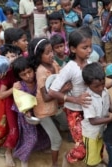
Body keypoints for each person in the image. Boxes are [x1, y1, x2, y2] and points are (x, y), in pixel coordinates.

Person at [48, 26, 93, 165]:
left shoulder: (90, 64)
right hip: (74, 112)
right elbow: (52, 91)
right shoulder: (70, 68)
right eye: (85, 48)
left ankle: (93, 159)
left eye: (90, 47)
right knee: (81, 149)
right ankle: (68, 159)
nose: (89, 50)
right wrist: (74, 99)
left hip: (89, 110)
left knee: (92, 139)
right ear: (73, 49)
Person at [28, 37, 69, 167]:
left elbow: (61, 75)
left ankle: (58, 130)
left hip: (55, 106)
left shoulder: (54, 64)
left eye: (51, 51)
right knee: (56, 139)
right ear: (38, 56)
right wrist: (64, 89)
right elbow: (45, 97)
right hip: (43, 110)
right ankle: (55, 164)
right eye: (47, 53)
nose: (51, 54)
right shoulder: (41, 71)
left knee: (66, 124)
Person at [81, 62, 112, 166]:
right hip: (91, 134)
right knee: (91, 158)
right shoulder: (87, 98)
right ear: (87, 84)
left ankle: (98, 161)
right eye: (96, 86)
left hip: (102, 130)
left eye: (103, 83)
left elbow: (109, 107)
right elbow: (93, 121)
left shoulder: (104, 91)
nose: (100, 88)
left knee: (99, 150)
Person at [11, 56, 50, 167]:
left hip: (39, 112)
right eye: (24, 74)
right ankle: (24, 158)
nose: (28, 76)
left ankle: (42, 148)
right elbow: (18, 101)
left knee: (42, 132)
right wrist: (26, 112)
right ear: (18, 76)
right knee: (31, 138)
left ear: (34, 69)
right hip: (26, 116)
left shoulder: (38, 81)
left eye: (30, 71)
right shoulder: (20, 86)